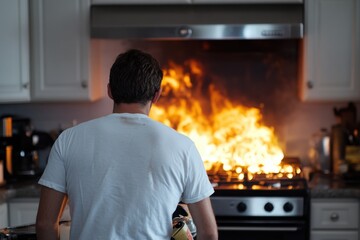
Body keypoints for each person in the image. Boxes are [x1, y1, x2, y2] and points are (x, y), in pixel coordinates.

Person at [36, 49, 218, 240]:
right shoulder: (183, 146)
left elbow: (45, 224)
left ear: (110, 90)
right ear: (156, 95)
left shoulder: (68, 139)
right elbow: (208, 232)